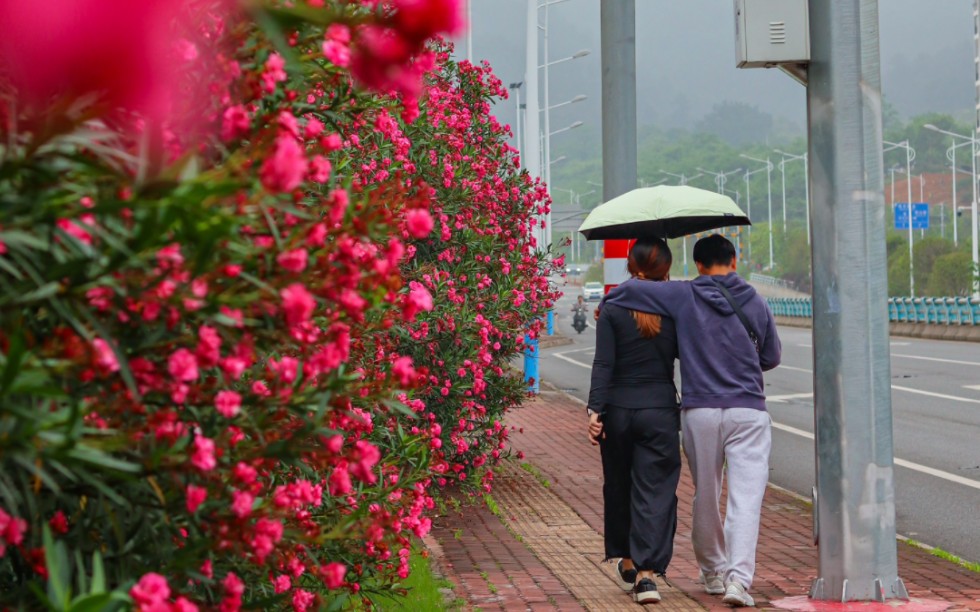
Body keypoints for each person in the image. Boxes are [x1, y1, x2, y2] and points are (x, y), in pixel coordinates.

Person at [602, 234, 781, 608]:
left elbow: (630, 293)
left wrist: (610, 296)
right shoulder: (756, 300)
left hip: (700, 411)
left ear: (698, 265)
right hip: (747, 409)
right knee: (746, 499)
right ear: (734, 260)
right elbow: (771, 356)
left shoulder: (684, 294)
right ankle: (738, 581)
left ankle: (712, 570)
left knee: (706, 493)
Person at [585, 237, 680, 605]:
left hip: (618, 412)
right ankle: (645, 575)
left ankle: (626, 557)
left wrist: (595, 411)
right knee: (654, 490)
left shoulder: (611, 306)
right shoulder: (676, 309)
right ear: (666, 269)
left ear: (629, 265)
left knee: (620, 485)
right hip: (659, 411)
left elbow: (603, 365)